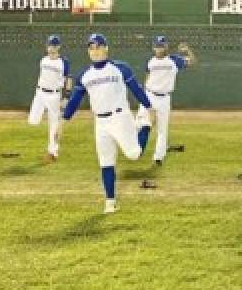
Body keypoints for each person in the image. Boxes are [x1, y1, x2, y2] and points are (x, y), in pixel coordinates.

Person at [57, 33, 153, 214]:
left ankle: (144, 125)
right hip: (100, 122)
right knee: (106, 162)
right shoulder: (85, 75)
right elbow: (75, 101)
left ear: (106, 48)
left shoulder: (120, 68)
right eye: (91, 48)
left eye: (98, 47)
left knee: (134, 155)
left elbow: (136, 89)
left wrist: (149, 108)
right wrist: (63, 122)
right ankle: (110, 201)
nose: (95, 51)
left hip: (120, 117)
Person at [136, 35, 196, 167]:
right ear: (153, 47)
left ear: (166, 47)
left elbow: (192, 62)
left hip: (164, 98)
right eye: (157, 46)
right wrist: (143, 95)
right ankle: (136, 150)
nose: (159, 48)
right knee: (142, 125)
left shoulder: (174, 60)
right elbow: (147, 78)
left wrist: (187, 51)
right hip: (149, 96)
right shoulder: (150, 62)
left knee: (162, 130)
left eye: (162, 46)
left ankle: (158, 157)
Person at [28, 35, 71, 163]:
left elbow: (68, 78)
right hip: (40, 93)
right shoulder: (43, 60)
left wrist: (67, 95)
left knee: (54, 124)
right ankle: (52, 146)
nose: (51, 48)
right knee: (33, 121)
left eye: (53, 45)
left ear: (58, 47)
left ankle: (53, 151)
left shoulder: (64, 62)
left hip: (54, 95)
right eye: (49, 45)